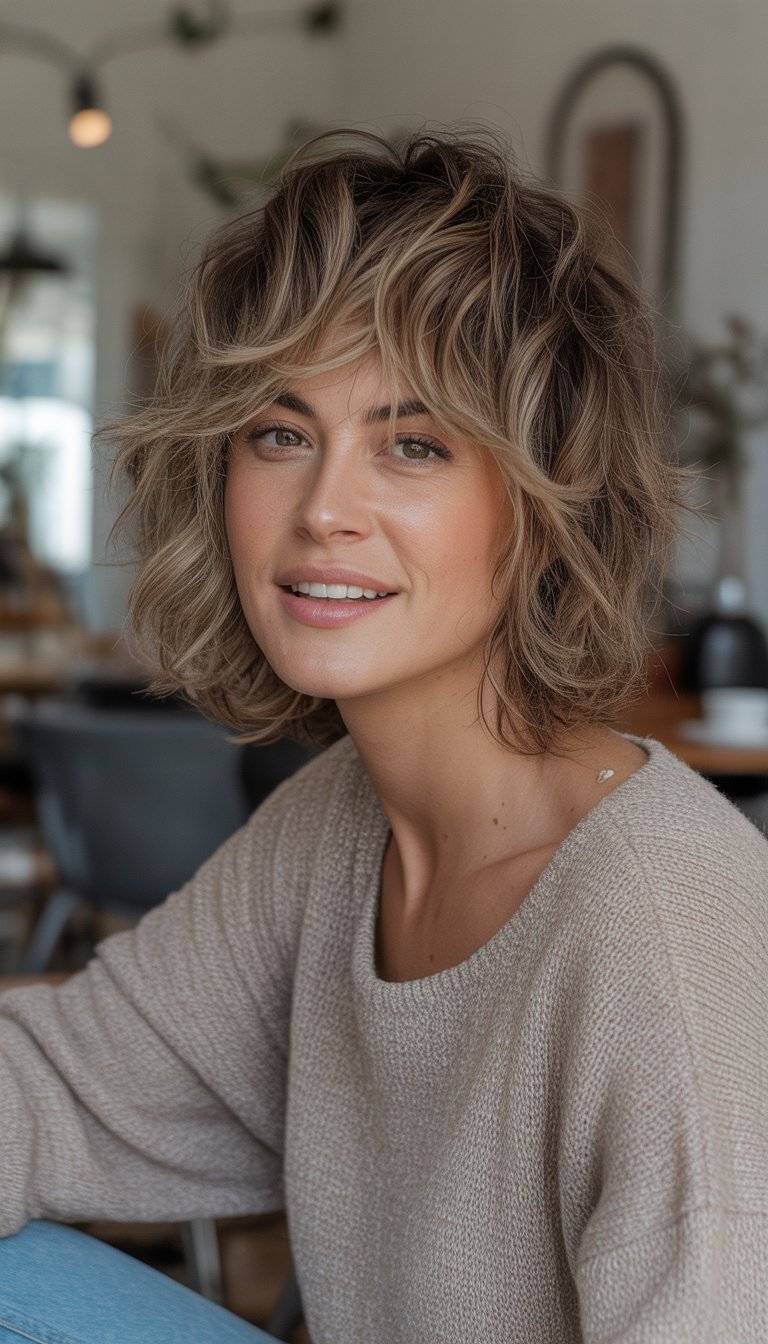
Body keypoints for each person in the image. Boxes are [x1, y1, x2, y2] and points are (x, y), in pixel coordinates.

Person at [0, 129, 766, 1344]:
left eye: (413, 445)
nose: (323, 511)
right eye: (280, 431)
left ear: (545, 503)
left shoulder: (668, 939)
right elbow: (54, 1090)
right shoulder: (339, 821)